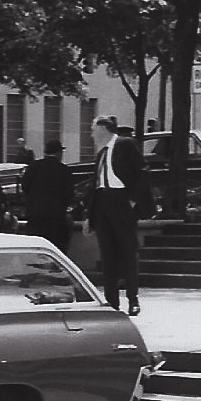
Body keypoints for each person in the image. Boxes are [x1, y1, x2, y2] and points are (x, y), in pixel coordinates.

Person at [84, 114, 150, 316]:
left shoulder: (125, 144)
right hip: (103, 203)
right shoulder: (101, 153)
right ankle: (112, 301)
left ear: (103, 128)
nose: (92, 134)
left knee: (128, 252)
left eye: (94, 129)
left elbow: (143, 170)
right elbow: (96, 185)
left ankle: (133, 299)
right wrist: (90, 216)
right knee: (107, 254)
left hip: (122, 201)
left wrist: (132, 199)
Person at [21, 139, 75, 252]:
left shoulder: (33, 166)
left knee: (35, 249)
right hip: (56, 218)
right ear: (59, 153)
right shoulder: (63, 170)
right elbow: (69, 194)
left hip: (35, 216)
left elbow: (25, 187)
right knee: (55, 249)